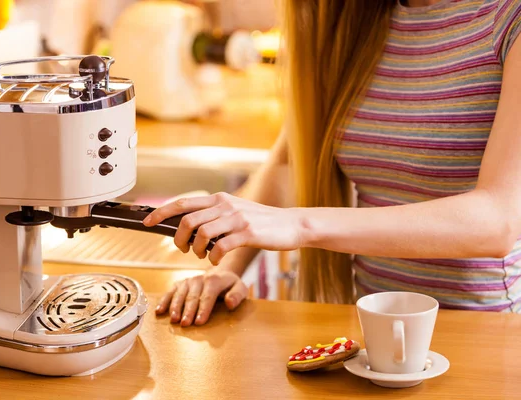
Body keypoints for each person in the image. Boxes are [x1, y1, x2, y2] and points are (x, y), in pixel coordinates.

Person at [144, 0, 521, 326]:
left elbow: (497, 219)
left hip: (484, 331)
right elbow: (289, 164)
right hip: (374, 324)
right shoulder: (354, 22)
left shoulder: (508, 19)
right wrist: (226, 270)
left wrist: (301, 224)